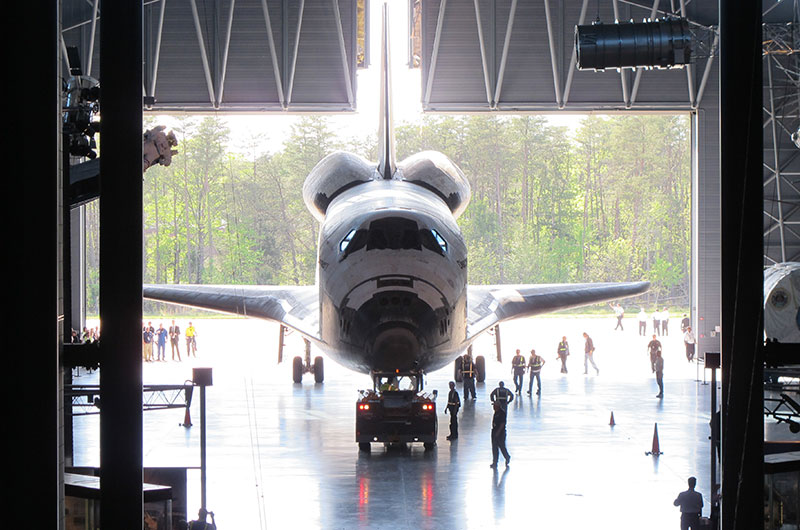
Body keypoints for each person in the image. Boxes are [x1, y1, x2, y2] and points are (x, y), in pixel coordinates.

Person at [489, 401, 511, 469]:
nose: (493, 407)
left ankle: (507, 457)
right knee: (494, 448)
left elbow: (502, 424)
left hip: (500, 432)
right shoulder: (496, 412)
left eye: (494, 405)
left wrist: (498, 432)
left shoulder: (502, 413)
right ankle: (495, 462)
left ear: (498, 406)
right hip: (494, 431)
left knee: (501, 446)